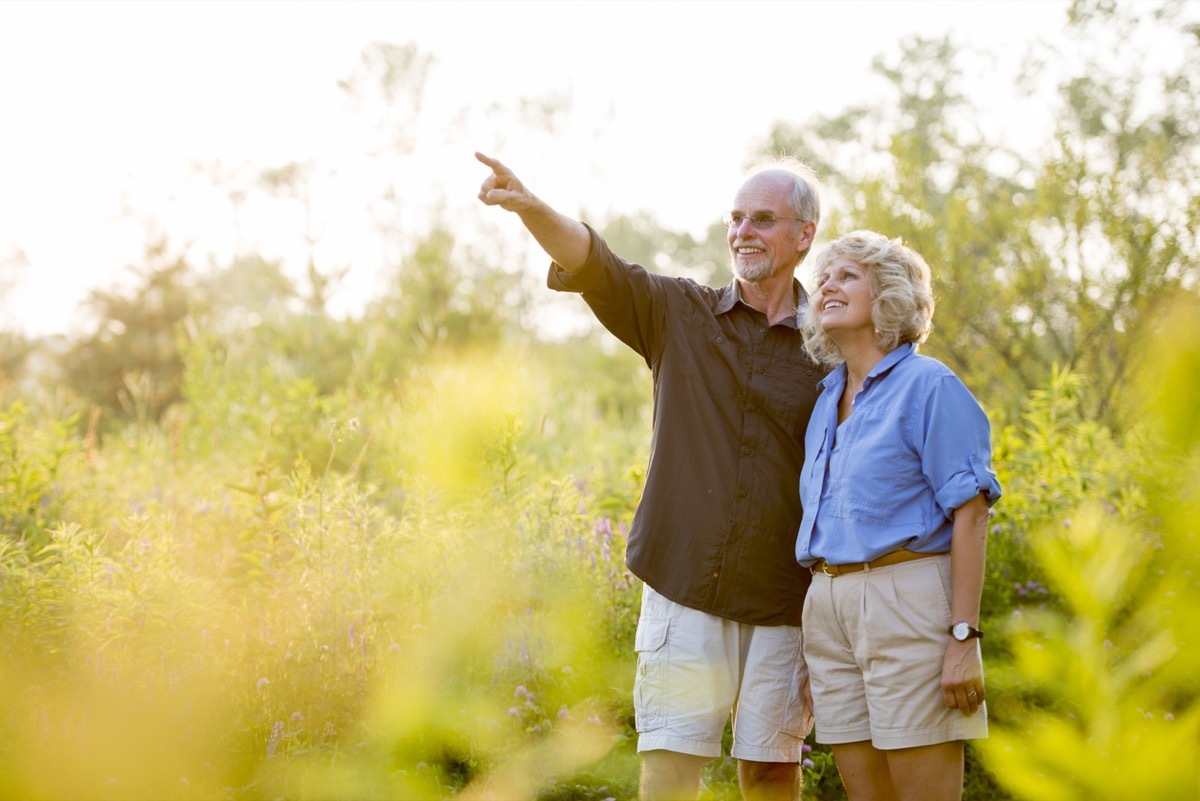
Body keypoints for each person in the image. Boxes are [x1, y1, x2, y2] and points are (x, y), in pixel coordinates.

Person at [476, 151, 825, 800]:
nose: (743, 231)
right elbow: (596, 264)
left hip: (784, 601)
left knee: (773, 774)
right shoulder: (678, 314)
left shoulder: (829, 347)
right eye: (736, 218)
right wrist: (531, 207)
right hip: (683, 582)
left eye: (763, 219)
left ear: (805, 234)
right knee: (668, 772)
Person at [794, 230, 1002, 801]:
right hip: (829, 604)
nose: (827, 285)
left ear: (886, 294)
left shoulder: (929, 385)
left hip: (906, 599)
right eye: (823, 278)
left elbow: (972, 514)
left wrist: (963, 638)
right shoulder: (824, 400)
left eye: (847, 275)